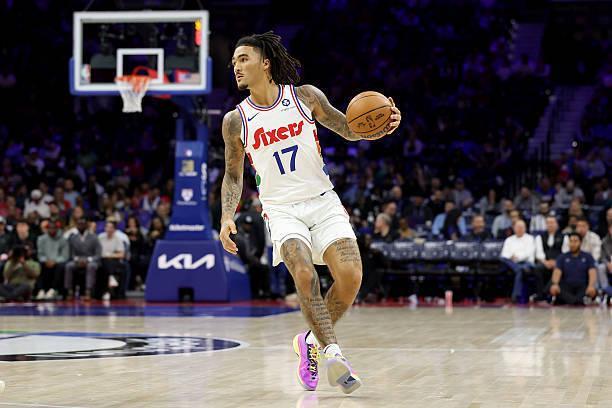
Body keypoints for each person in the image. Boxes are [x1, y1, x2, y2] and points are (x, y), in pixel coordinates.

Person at [219, 31, 401, 394]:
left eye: (244, 59)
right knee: (303, 274)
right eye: (234, 61)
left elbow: (349, 128)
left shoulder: (305, 97)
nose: (236, 66)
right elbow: (233, 174)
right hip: (281, 210)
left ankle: (309, 341)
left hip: (322, 201)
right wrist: (226, 216)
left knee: (350, 277)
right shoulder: (235, 120)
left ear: (265, 63)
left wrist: (380, 127)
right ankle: (332, 353)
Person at [549, 233, 597, 305]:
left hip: (582, 286)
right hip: (567, 286)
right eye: (571, 241)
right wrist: (555, 284)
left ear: (580, 243)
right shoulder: (562, 257)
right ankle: (576, 300)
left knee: (591, 291)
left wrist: (591, 286)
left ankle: (572, 300)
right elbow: (557, 272)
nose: (572, 244)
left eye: (575, 241)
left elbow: (592, 272)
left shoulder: (588, 257)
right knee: (555, 289)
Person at [64, 218, 101, 301]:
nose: (80, 226)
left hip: (91, 260)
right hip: (77, 261)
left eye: (82, 224)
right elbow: (71, 254)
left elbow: (98, 254)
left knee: (91, 266)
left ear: (86, 225)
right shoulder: (72, 238)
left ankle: (88, 291)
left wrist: (88, 260)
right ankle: (69, 291)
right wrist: (77, 260)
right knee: (68, 266)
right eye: (79, 224)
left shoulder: (94, 237)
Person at [500, 220, 536, 303]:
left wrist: (516, 257)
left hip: (526, 263)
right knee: (502, 259)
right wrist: (511, 257)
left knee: (521, 269)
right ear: (514, 228)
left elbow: (528, 254)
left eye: (521, 227)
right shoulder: (509, 240)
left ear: (525, 228)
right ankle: (516, 294)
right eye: (518, 227)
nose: (520, 229)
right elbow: (504, 254)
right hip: (511, 263)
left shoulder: (530, 239)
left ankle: (515, 296)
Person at [35, 220, 69, 300]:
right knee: (38, 265)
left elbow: (65, 256)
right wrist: (46, 260)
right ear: (47, 229)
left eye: (54, 228)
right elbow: (40, 254)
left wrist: (54, 261)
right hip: (45, 261)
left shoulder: (63, 239)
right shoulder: (41, 239)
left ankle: (53, 290)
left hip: (58, 262)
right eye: (50, 228)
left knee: (61, 266)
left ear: (57, 229)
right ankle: (41, 290)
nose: (52, 230)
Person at [533, 216, 564, 301]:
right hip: (544, 262)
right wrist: (545, 262)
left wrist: (556, 262)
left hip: (559, 262)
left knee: (558, 270)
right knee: (537, 269)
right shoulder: (539, 237)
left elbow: (565, 252)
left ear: (557, 224)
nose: (550, 225)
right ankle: (539, 294)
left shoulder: (564, 237)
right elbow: (539, 252)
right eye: (548, 223)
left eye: (552, 223)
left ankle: (547, 293)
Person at [98, 220, 127, 300]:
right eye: (107, 227)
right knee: (104, 263)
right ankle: (111, 279)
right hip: (101, 260)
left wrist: (110, 255)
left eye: (111, 227)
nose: (109, 229)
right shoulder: (100, 237)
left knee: (109, 263)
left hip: (113, 260)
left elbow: (122, 254)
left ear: (114, 229)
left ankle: (108, 288)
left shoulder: (118, 239)